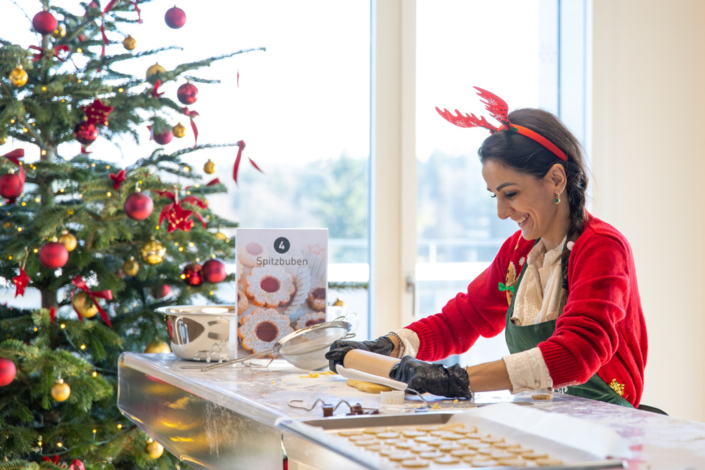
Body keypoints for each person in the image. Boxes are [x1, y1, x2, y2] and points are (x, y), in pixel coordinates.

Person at [327, 87, 647, 408]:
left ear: (556, 180)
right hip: (546, 415)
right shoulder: (518, 253)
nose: (502, 212)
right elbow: (462, 320)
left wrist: (459, 380)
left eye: (511, 194)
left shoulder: (602, 247)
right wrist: (392, 344)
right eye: (495, 196)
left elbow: (578, 352)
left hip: (607, 422)